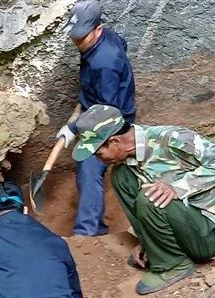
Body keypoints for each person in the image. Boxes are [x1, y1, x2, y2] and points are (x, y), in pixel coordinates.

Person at [72, 104, 215, 294]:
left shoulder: (171, 139)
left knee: (149, 197)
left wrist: (178, 187)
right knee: (121, 176)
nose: (98, 159)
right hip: (180, 225)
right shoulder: (127, 163)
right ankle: (157, 249)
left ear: (115, 141)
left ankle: (173, 265)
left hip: (209, 234)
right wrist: (146, 241)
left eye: (98, 153)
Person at [56, 0, 136, 237]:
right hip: (99, 107)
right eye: (74, 35)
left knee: (89, 166)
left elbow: (106, 114)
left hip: (113, 121)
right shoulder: (103, 40)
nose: (76, 42)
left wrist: (74, 127)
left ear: (98, 30)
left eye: (81, 37)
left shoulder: (104, 62)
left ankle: (87, 233)